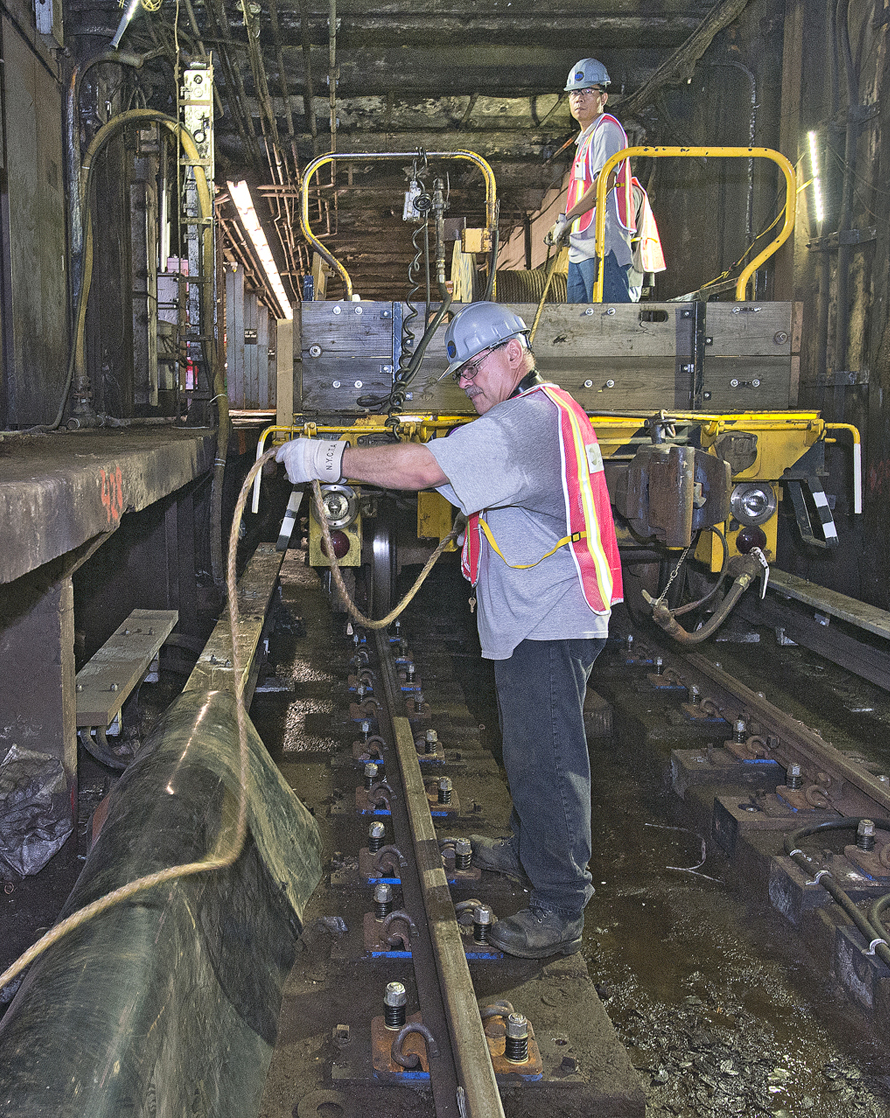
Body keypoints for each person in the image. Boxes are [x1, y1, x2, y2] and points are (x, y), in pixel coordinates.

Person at [275, 303, 623, 958]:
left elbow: (422, 470)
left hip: (551, 615)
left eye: (474, 365)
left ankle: (560, 906)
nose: (465, 380)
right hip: (540, 610)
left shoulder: (524, 422)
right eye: (459, 371)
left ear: (514, 353)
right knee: (528, 746)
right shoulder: (542, 409)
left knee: (548, 758)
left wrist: (329, 459)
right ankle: (527, 849)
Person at [547, 58, 636, 304]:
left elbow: (604, 183)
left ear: (603, 98)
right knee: (581, 325)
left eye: (588, 91)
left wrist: (568, 218)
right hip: (582, 247)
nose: (579, 98)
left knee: (610, 321)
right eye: (574, 93)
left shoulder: (606, 130)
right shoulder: (585, 138)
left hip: (602, 244)